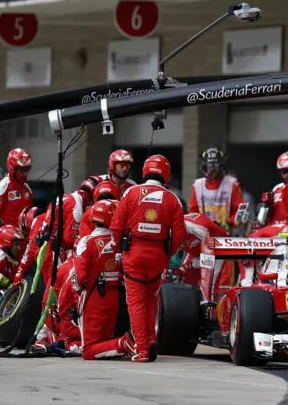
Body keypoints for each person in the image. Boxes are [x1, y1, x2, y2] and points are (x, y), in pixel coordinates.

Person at [110, 154, 187, 362]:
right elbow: (180, 235)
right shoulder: (173, 199)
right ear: (165, 174)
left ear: (145, 171)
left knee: (135, 303)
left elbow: (116, 225)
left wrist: (117, 250)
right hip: (158, 256)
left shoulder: (130, 193)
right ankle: (151, 341)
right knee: (151, 299)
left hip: (133, 253)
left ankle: (142, 349)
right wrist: (167, 255)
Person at [73, 200, 135, 360]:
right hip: (113, 297)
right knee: (104, 341)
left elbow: (79, 278)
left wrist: (78, 289)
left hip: (94, 297)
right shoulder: (120, 243)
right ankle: (123, 345)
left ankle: (124, 343)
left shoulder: (87, 242)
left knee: (88, 351)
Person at [188, 147, 244, 297]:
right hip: (202, 240)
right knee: (201, 281)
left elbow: (241, 212)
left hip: (225, 241)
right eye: (209, 165)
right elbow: (192, 212)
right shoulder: (197, 185)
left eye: (215, 165)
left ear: (221, 165)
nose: (211, 169)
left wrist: (229, 223)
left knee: (225, 285)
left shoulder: (232, 184)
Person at [0, 148, 34, 247]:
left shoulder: (27, 189)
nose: (25, 173)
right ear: (12, 168)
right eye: (21, 170)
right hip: (5, 245)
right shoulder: (1, 188)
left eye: (26, 170)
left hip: (23, 245)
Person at [173, 213, 228, 286]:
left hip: (216, 246)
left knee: (209, 285)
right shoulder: (171, 229)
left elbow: (207, 257)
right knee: (184, 276)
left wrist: (189, 265)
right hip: (197, 248)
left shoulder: (201, 231)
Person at [75, 180, 121, 245]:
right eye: (103, 201)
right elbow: (84, 240)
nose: (106, 203)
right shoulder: (88, 214)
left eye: (110, 200)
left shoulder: (88, 213)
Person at [12, 205, 44, 288]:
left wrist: (20, 271)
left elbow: (30, 249)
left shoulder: (38, 220)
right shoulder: (47, 217)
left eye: (27, 230)